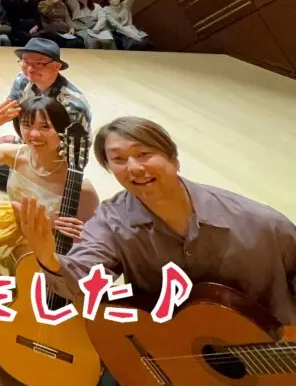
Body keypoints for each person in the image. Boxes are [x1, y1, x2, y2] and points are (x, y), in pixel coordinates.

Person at [15, 116, 296, 385]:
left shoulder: (264, 225)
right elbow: (85, 277)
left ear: (173, 157)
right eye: (118, 159)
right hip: (163, 358)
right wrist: (50, 260)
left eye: (144, 154)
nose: (134, 168)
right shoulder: (112, 222)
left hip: (267, 362)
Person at [0, 95, 100, 299]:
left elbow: (90, 239)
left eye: (45, 127)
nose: (34, 134)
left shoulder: (79, 185)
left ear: (62, 130)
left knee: (3, 268)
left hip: (46, 241)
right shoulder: (16, 154)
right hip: (10, 222)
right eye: (27, 125)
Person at [0, 37, 92, 192]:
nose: (30, 69)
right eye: (26, 62)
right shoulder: (23, 80)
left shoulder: (72, 104)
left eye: (39, 63)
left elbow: (71, 151)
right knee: (1, 145)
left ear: (57, 66)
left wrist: (25, 156)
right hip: (37, 141)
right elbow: (11, 111)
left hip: (58, 155)